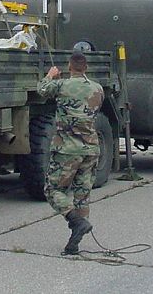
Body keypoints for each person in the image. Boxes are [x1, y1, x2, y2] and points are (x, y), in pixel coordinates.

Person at [37, 52, 105, 255]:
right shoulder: (98, 88)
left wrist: (50, 75)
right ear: (86, 68)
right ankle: (75, 241)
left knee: (52, 189)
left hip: (67, 148)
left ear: (69, 67)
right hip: (91, 148)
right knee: (82, 194)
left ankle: (75, 220)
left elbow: (41, 90)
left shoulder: (62, 85)